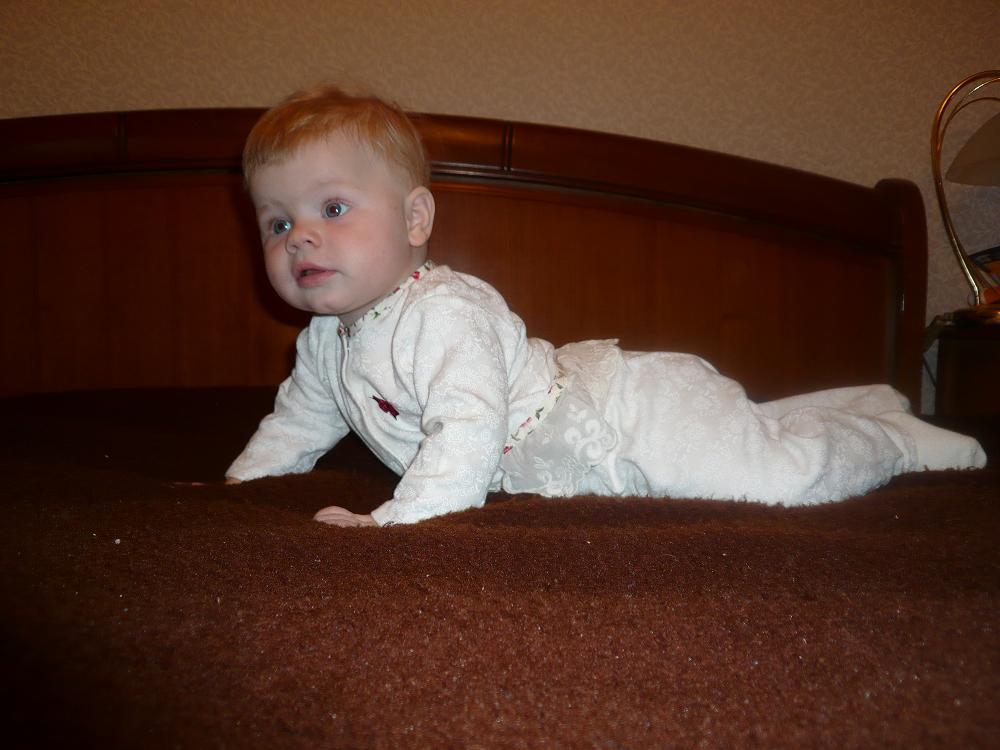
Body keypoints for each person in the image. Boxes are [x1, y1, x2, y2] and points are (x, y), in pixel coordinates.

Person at [226, 85, 987, 527]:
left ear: (415, 219)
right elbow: (298, 424)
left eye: (333, 208)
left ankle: (889, 443)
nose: (301, 238)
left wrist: (400, 522)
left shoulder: (442, 312)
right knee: (749, 440)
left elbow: (467, 427)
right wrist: (238, 491)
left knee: (778, 482)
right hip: (595, 454)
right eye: (278, 222)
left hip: (634, 413)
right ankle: (858, 407)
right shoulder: (324, 341)